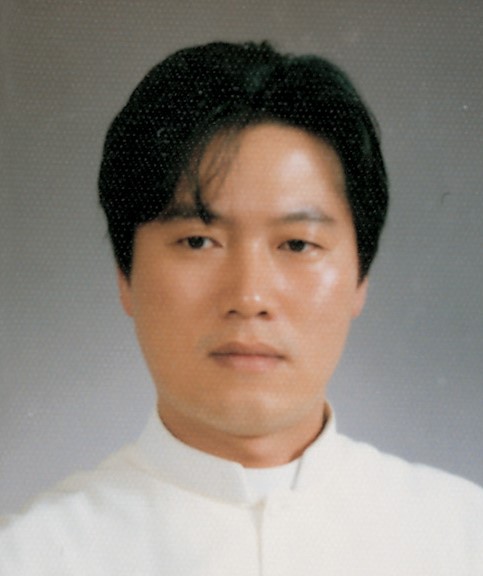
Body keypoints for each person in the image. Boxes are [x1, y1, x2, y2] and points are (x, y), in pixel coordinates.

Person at [1, 40, 482, 575]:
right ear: (125, 275)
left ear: (359, 278)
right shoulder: (28, 555)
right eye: (197, 241)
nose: (249, 298)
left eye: (297, 244)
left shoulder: (463, 538)